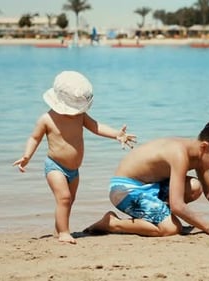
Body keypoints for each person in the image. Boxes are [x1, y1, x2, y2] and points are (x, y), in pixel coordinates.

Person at [13, 71, 136, 244]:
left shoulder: (80, 116)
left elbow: (96, 126)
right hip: (55, 166)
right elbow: (34, 138)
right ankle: (64, 233)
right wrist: (26, 156)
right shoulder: (46, 119)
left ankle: (59, 230)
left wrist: (116, 134)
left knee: (69, 201)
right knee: (64, 198)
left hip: (74, 170)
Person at [85, 119, 209, 237]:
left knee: (194, 187)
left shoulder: (199, 155)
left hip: (150, 187)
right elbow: (177, 205)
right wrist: (208, 227)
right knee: (171, 229)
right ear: (205, 147)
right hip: (125, 189)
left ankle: (158, 217)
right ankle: (112, 223)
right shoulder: (179, 154)